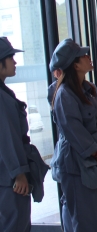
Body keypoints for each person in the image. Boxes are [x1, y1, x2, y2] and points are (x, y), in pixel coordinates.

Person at [50, 38, 97, 231]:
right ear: (74, 65)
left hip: (96, 163)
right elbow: (74, 131)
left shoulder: (89, 90)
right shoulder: (64, 94)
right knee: (84, 221)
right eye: (83, 56)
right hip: (76, 166)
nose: (88, 57)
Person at [0, 38, 32, 231]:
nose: (15, 62)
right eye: (10, 57)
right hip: (9, 181)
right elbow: (7, 139)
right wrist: (18, 173)